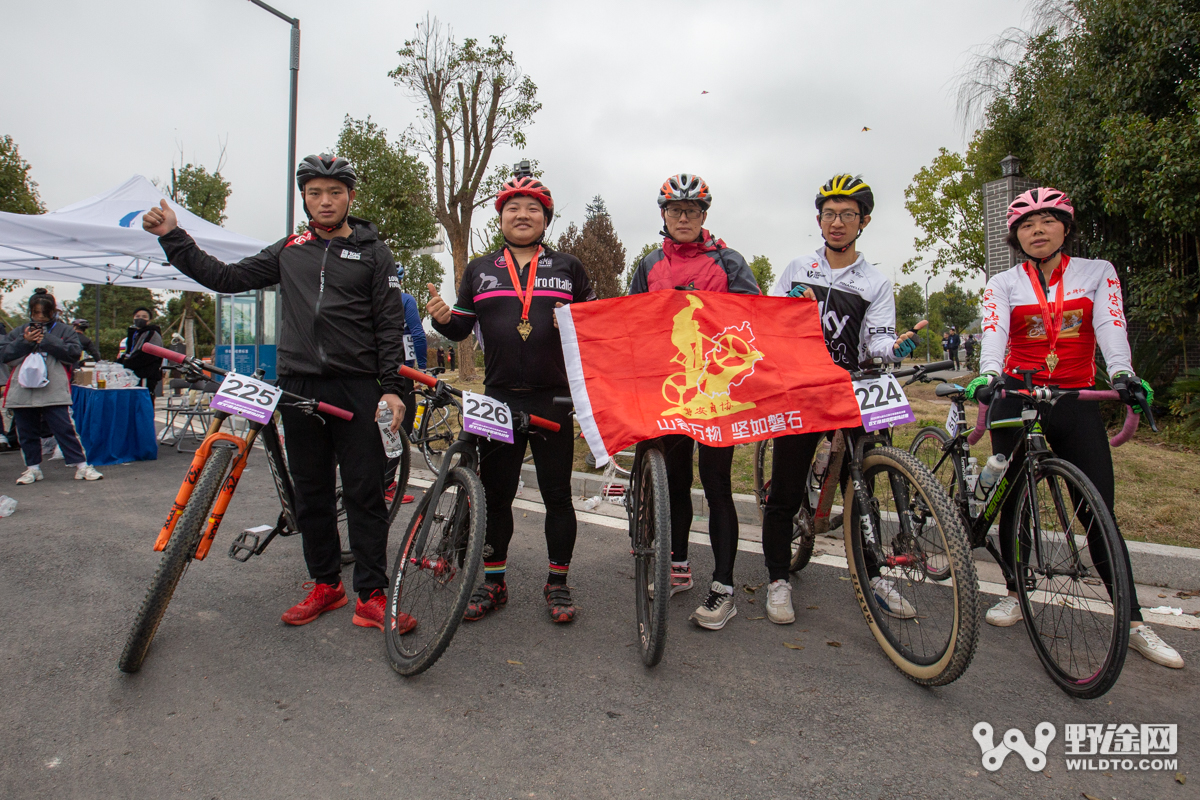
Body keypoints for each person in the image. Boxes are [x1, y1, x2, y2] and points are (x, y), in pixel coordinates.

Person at [143, 153, 409, 633]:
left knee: (366, 493)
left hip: (357, 388)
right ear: (304, 198)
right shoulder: (291, 248)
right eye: (314, 193)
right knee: (310, 494)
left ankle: (371, 595)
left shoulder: (374, 252)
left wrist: (391, 388)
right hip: (298, 386)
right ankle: (326, 585)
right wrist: (173, 238)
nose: (324, 201)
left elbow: (389, 325)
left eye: (334, 192)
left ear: (350, 196)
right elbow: (226, 278)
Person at [966, 186, 1183, 669]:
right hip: (1016, 399)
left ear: (1066, 227)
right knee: (1014, 502)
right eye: (1025, 224)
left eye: (1047, 221)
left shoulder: (1096, 273)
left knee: (1098, 512)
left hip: (1075, 400)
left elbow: (1111, 324)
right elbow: (993, 330)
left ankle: (1133, 621)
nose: (1037, 231)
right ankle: (1015, 591)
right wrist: (986, 372)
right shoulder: (1004, 282)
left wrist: (1123, 373)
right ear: (1015, 236)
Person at [427, 168, 595, 624]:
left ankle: (557, 584)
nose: (522, 215)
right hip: (498, 398)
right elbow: (461, 326)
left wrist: (579, 322)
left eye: (533, 209)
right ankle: (493, 583)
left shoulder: (569, 268)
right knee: (496, 496)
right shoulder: (480, 270)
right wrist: (443, 319)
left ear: (546, 219)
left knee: (558, 496)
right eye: (513, 209)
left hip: (554, 397)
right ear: (500, 218)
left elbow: (594, 328)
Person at [762, 174, 920, 625]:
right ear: (819, 220)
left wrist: (896, 349)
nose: (837, 222)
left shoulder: (875, 282)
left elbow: (878, 344)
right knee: (786, 489)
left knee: (865, 485)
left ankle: (875, 575)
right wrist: (789, 307)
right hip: (805, 385)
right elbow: (769, 327)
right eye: (829, 214)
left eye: (847, 215)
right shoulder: (797, 267)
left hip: (858, 385)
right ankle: (777, 579)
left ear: (863, 222)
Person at [627, 173, 760, 631]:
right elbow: (629, 324)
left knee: (717, 484)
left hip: (717, 392)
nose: (684, 218)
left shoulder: (729, 261)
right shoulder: (647, 265)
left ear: (705, 215)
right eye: (675, 211)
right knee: (676, 481)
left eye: (693, 211)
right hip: (671, 391)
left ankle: (724, 587)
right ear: (663, 215)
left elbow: (754, 319)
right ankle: (678, 565)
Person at [1, 289, 103, 483]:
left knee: (64, 427)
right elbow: (3, 354)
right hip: (22, 389)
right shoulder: (20, 331)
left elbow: (74, 353)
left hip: (53, 388)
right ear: (30, 312)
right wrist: (25, 341)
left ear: (53, 312)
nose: (40, 317)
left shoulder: (64, 330)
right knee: (25, 430)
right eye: (36, 313)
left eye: (44, 313)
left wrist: (46, 340)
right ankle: (32, 468)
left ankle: (82, 466)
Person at [117, 307, 164, 396]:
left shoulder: (152, 334)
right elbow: (129, 351)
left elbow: (148, 355)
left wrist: (128, 363)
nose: (140, 318)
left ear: (149, 320)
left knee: (143, 402)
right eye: (137, 316)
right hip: (133, 375)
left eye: (144, 316)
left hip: (145, 375)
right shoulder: (135, 334)